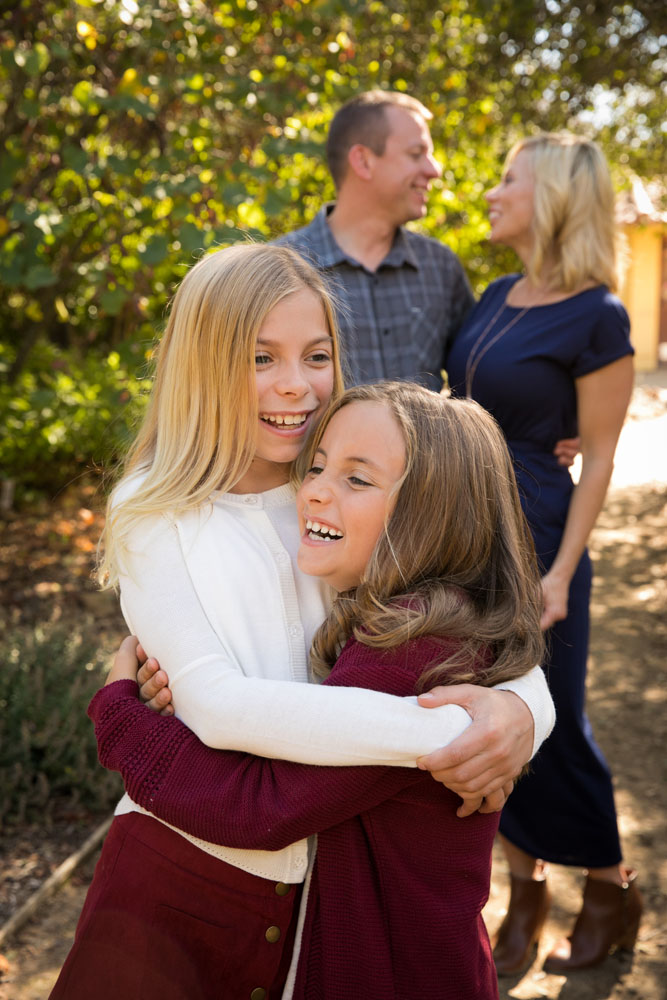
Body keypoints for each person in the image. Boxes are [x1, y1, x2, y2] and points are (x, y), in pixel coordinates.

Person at [51, 244, 554, 1000]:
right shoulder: (156, 511)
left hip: (329, 882)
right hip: (191, 872)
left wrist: (520, 712)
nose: (296, 385)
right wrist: (449, 736)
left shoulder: (346, 480)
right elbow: (218, 707)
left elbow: (473, 625)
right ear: (203, 363)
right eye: (261, 357)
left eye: (315, 355)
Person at [446, 132, 641, 975]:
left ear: (552, 197)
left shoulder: (599, 314)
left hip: (538, 545)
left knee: (549, 723)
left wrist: (559, 574)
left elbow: (598, 455)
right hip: (468, 534)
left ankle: (609, 885)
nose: (491, 192)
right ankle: (522, 892)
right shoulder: (493, 293)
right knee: (486, 717)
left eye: (507, 180)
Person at [276, 89, 578, 469]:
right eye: (416, 154)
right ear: (364, 161)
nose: (434, 170)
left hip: (428, 503)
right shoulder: (281, 267)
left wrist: (556, 424)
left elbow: (486, 374)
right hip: (312, 505)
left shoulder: (441, 267)